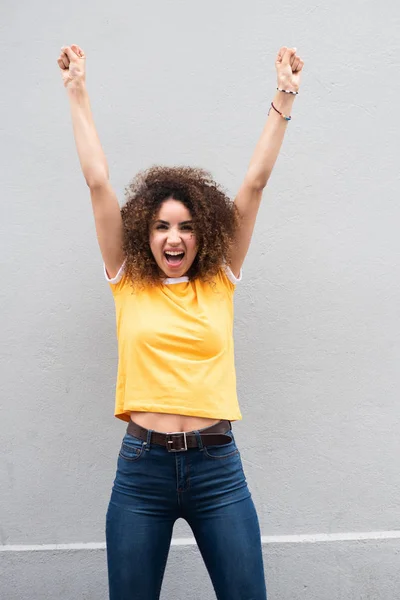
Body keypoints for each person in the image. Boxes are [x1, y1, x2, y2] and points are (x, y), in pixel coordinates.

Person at [57, 43, 304, 600]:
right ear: (145, 233)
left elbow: (254, 184)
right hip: (141, 471)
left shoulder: (220, 281)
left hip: (218, 469)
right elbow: (98, 183)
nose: (175, 238)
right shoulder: (128, 281)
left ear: (204, 234)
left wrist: (284, 92)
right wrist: (77, 90)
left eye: (188, 227)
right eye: (164, 226)